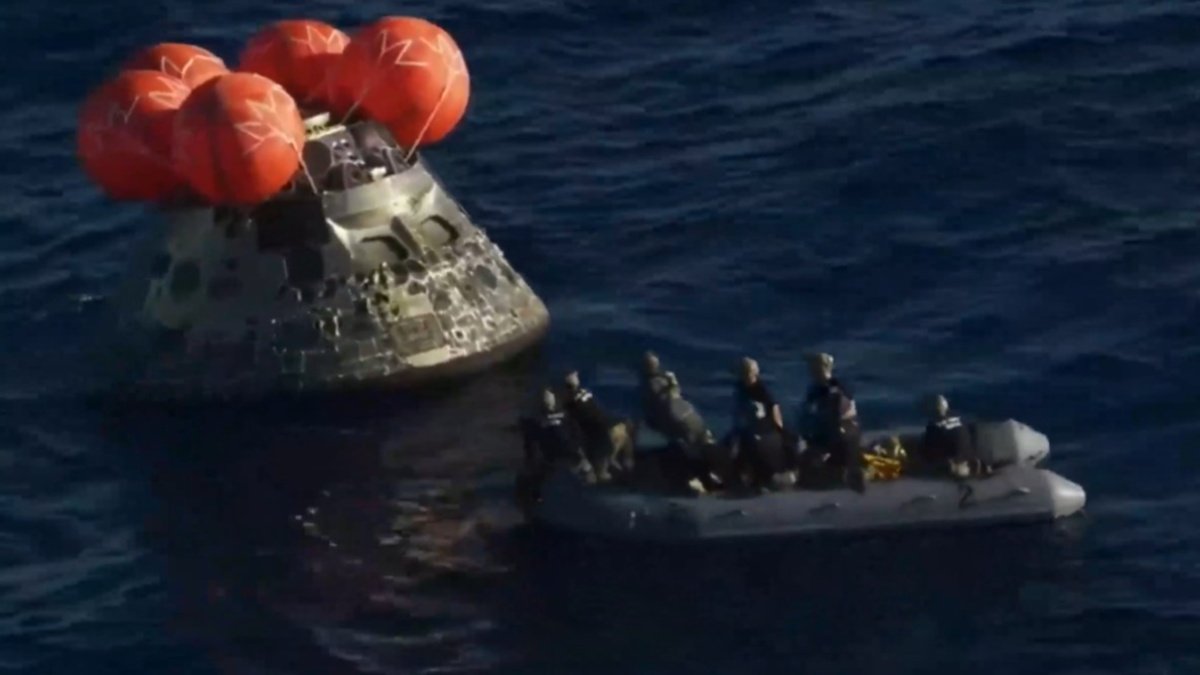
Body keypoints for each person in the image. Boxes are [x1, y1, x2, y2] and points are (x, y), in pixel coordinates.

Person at [514, 388, 592, 517]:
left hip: (555, 461)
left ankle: (533, 504)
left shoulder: (537, 423)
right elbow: (579, 438)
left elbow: (531, 449)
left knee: (529, 478)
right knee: (588, 473)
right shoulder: (566, 418)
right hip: (569, 459)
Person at [729, 357, 792, 490]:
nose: (744, 375)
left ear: (755, 373)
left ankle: (759, 479)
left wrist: (779, 430)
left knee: (754, 447)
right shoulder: (739, 389)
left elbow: (774, 409)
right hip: (743, 429)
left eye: (747, 372)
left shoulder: (762, 391)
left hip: (761, 430)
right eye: (742, 372)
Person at [562, 371, 636, 483]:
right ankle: (608, 464)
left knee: (627, 427)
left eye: (576, 376)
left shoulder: (582, 390)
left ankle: (623, 460)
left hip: (603, 419)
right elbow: (574, 416)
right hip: (596, 426)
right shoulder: (569, 400)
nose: (576, 377)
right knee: (619, 434)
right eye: (574, 376)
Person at [798, 352, 862, 473]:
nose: (811, 370)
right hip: (826, 436)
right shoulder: (817, 389)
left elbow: (838, 419)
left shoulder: (834, 391)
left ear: (822, 368)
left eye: (814, 366)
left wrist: (825, 448)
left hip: (838, 438)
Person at [921, 394, 977, 477]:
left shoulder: (933, 425)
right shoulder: (961, 418)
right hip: (968, 457)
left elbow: (928, 446)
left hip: (952, 462)